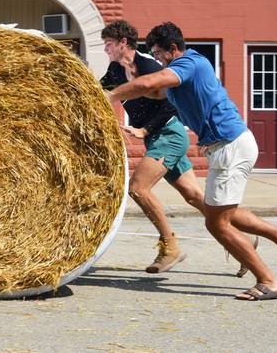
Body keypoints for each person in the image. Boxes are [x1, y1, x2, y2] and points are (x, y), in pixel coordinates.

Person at [106, 22, 277, 301]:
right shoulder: (178, 77)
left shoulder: (190, 62)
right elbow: (152, 92)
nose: (157, 59)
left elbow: (151, 83)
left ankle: (268, 281)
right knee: (219, 212)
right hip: (223, 146)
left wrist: (113, 95)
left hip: (231, 145)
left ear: (173, 49)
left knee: (217, 224)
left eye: (159, 53)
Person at [99, 20, 255, 276]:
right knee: (196, 198)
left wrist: (144, 130)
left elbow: (172, 105)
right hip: (156, 140)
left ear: (122, 43)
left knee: (138, 189)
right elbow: (99, 89)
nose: (105, 49)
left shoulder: (150, 65)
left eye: (108, 44)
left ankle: (170, 247)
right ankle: (244, 241)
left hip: (168, 134)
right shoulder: (115, 70)